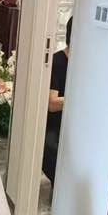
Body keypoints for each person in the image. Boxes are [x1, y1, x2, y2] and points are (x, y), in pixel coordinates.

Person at [42, 15, 72, 192]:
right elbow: (52, 103)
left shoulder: (86, 64)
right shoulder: (57, 62)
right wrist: (77, 100)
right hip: (54, 127)